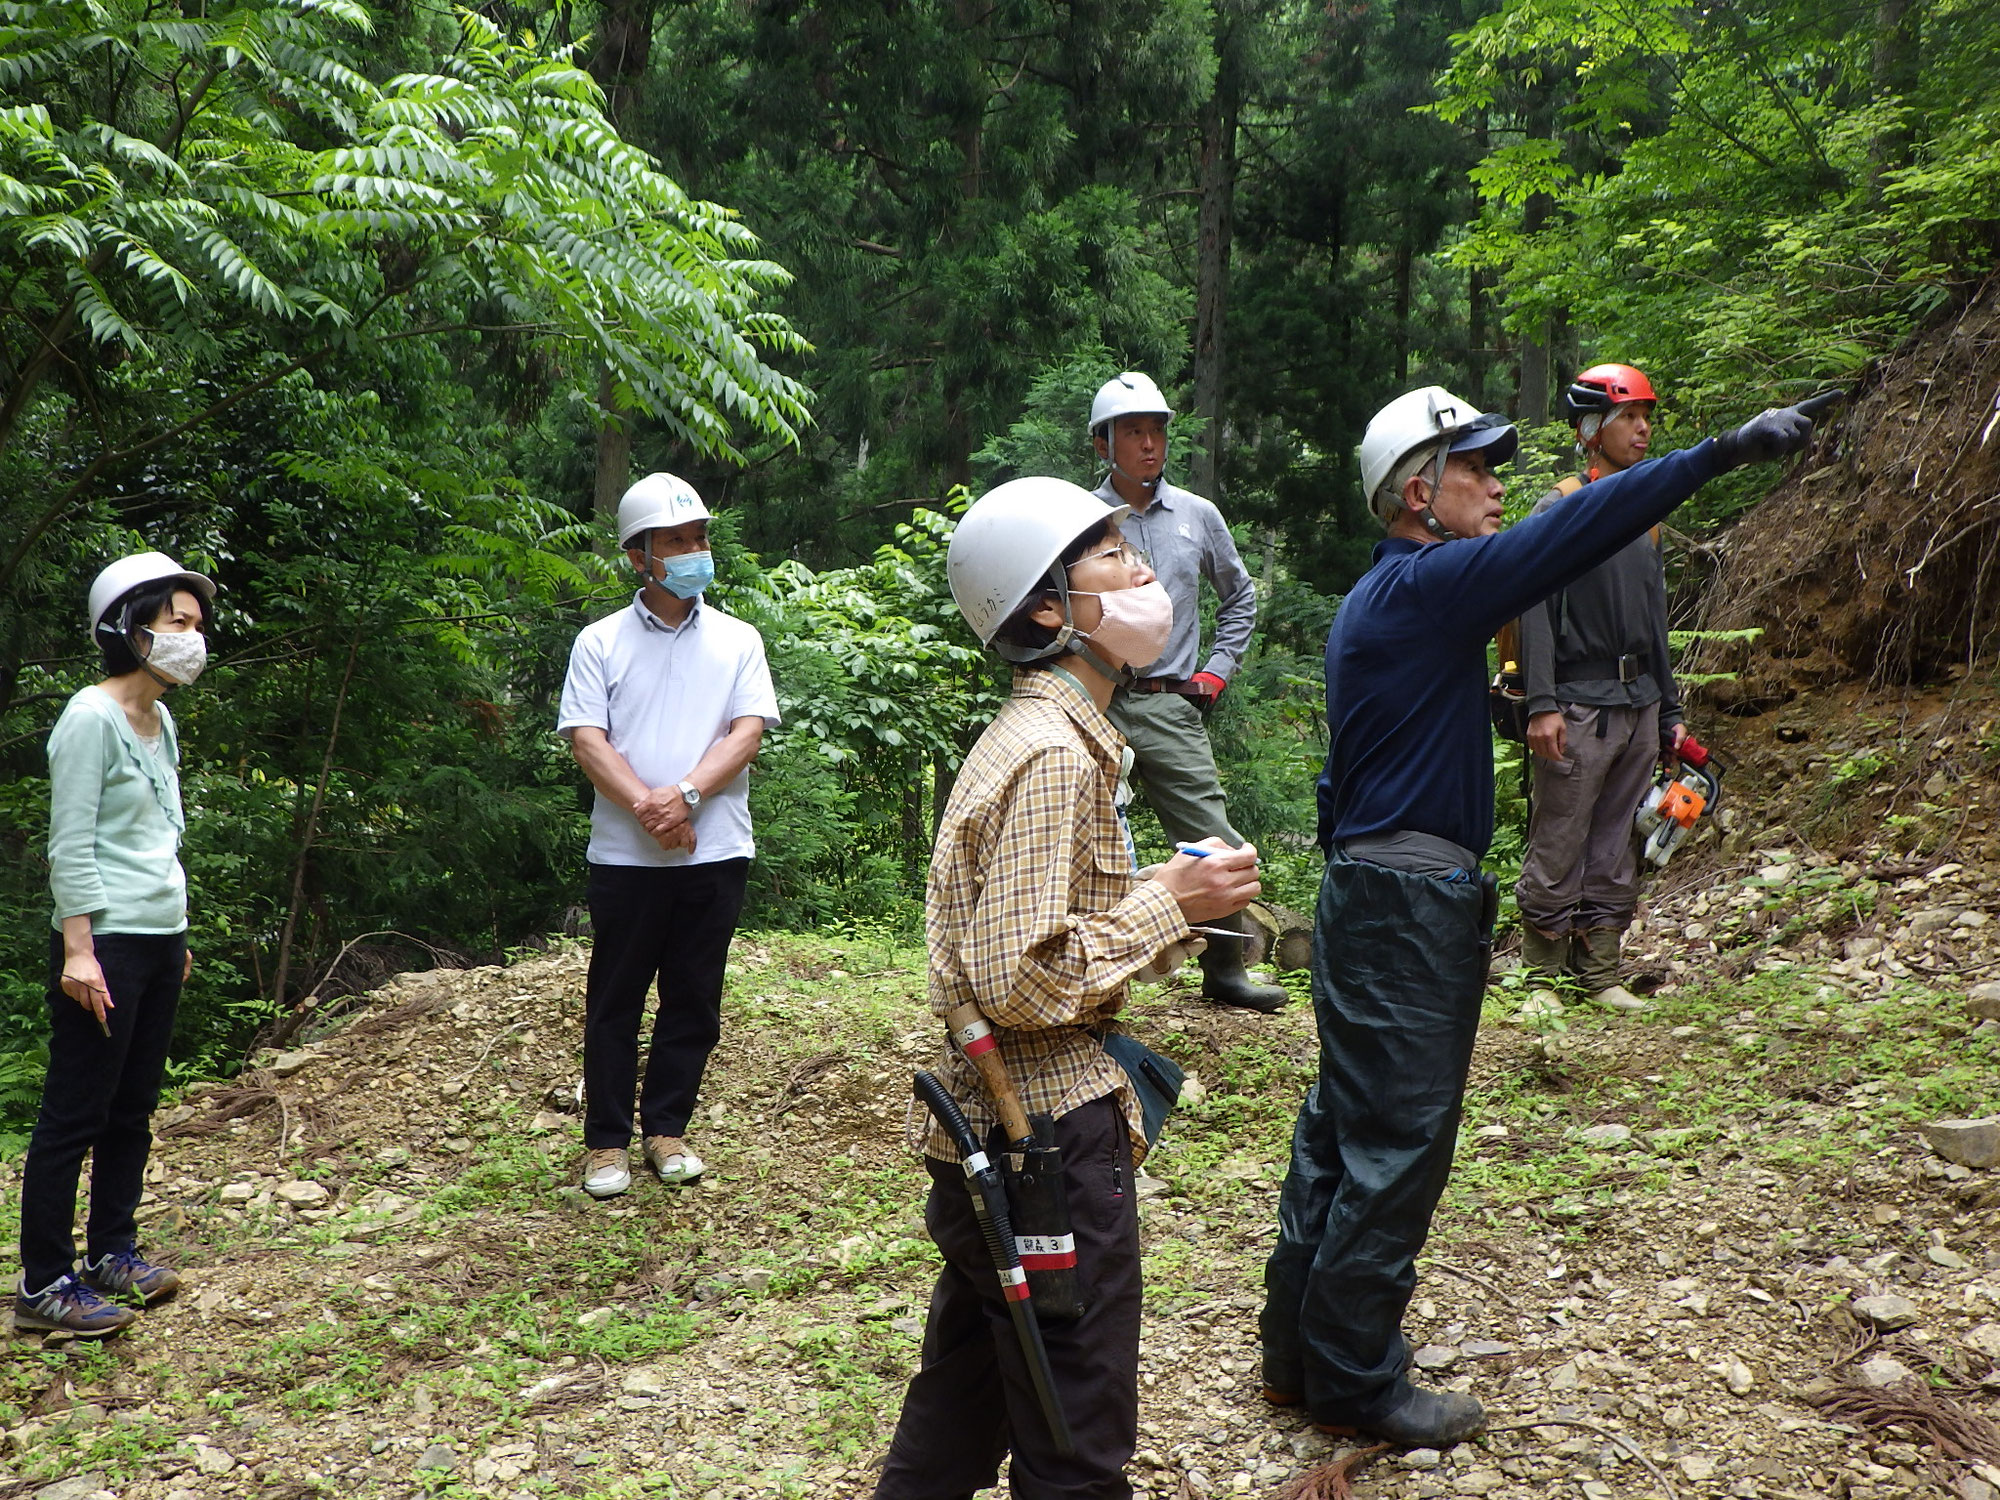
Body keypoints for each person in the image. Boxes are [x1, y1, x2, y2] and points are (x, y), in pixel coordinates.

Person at [1258, 384, 1837, 1445]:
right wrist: (1714, 454)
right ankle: (1352, 1383)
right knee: (1394, 1144)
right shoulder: (1428, 583)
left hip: (1361, 889)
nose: (1494, 485)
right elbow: (1570, 530)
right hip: (1406, 908)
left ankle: (1296, 1357)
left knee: (1341, 1129)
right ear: (1418, 492)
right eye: (1474, 469)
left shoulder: (1377, 600)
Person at [873, 477, 1263, 1499]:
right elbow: (1017, 977)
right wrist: (1164, 905)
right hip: (1039, 1141)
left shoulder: (1053, 737)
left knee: (966, 1402)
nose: (1141, 570)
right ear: (1049, 608)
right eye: (1108, 557)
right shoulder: (1053, 754)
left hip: (993, 1141)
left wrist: (1171, 900)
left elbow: (1029, 938)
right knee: (1074, 1438)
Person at [556, 473, 779, 1198]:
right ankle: (606, 1144)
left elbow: (746, 732)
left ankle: (668, 1129)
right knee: (615, 999)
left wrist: (684, 797)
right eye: (677, 541)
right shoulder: (600, 641)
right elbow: (587, 740)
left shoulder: (739, 639)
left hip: (715, 850)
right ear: (638, 557)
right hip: (625, 858)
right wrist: (653, 812)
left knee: (694, 999)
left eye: (699, 538)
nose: (695, 552)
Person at [17, 551, 217, 1337]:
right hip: (104, 944)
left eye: (197, 625)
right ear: (130, 631)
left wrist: (178, 931)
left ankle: (112, 1253)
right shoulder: (88, 717)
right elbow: (71, 843)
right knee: (75, 1111)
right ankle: (42, 1283)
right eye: (178, 623)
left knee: (132, 1108)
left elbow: (159, 836)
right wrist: (79, 950)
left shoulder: (159, 718)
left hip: (158, 939)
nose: (193, 638)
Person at [1087, 372, 1286, 1013]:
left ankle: (1226, 969)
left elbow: (1240, 596)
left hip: (1170, 702)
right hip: (1094, 699)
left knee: (1211, 837)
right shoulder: (1083, 519)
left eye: (1157, 431)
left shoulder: (1197, 516)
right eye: (1134, 432)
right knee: (1078, 835)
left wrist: (1217, 670)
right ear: (1103, 444)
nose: (1149, 444)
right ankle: (1086, 973)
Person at [1516, 363, 1686, 1009]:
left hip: (1639, 703)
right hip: (1577, 704)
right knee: (1559, 837)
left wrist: (1670, 711)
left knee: (1618, 840)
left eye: (1647, 418)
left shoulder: (1647, 513)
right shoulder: (1559, 508)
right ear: (1592, 429)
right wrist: (1541, 704)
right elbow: (1532, 609)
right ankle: (1540, 978)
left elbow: (1655, 622)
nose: (1643, 430)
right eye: (1629, 419)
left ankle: (1601, 973)